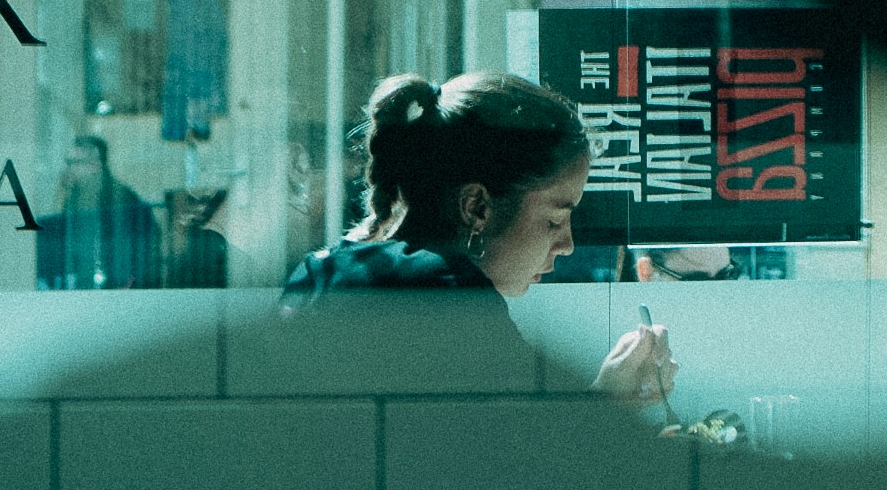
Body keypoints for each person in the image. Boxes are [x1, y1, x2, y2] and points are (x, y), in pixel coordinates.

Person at [284, 70, 678, 407]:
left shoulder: (322, 272)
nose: (568, 245)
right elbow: (530, 467)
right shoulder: (447, 293)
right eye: (555, 220)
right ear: (477, 208)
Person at [37, 135, 160, 289]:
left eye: (74, 162)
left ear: (95, 165)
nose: (68, 168)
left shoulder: (119, 198)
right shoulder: (76, 197)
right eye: (67, 162)